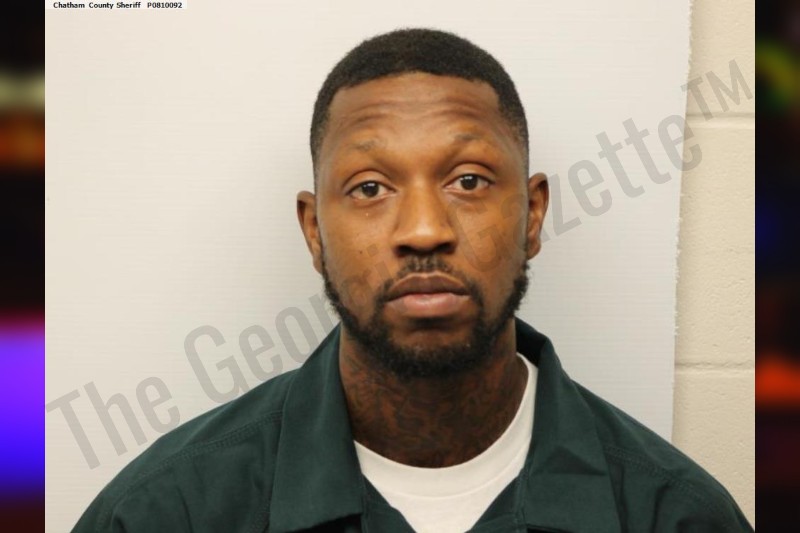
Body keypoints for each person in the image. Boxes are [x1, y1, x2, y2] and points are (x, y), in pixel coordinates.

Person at [72, 28, 753, 532]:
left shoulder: (678, 515)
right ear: (314, 232)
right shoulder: (166, 512)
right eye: (370, 187)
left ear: (532, 215)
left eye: (469, 180)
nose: (424, 230)